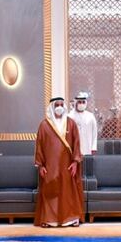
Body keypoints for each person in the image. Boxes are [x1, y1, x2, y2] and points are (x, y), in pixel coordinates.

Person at [34, 97, 84, 227]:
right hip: (50, 166)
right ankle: (50, 219)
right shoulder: (44, 125)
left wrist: (75, 162)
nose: (59, 107)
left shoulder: (71, 123)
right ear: (52, 106)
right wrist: (41, 165)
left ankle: (70, 219)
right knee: (50, 191)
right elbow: (39, 146)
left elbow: (77, 144)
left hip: (67, 165)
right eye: (57, 105)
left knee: (68, 192)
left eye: (62, 104)